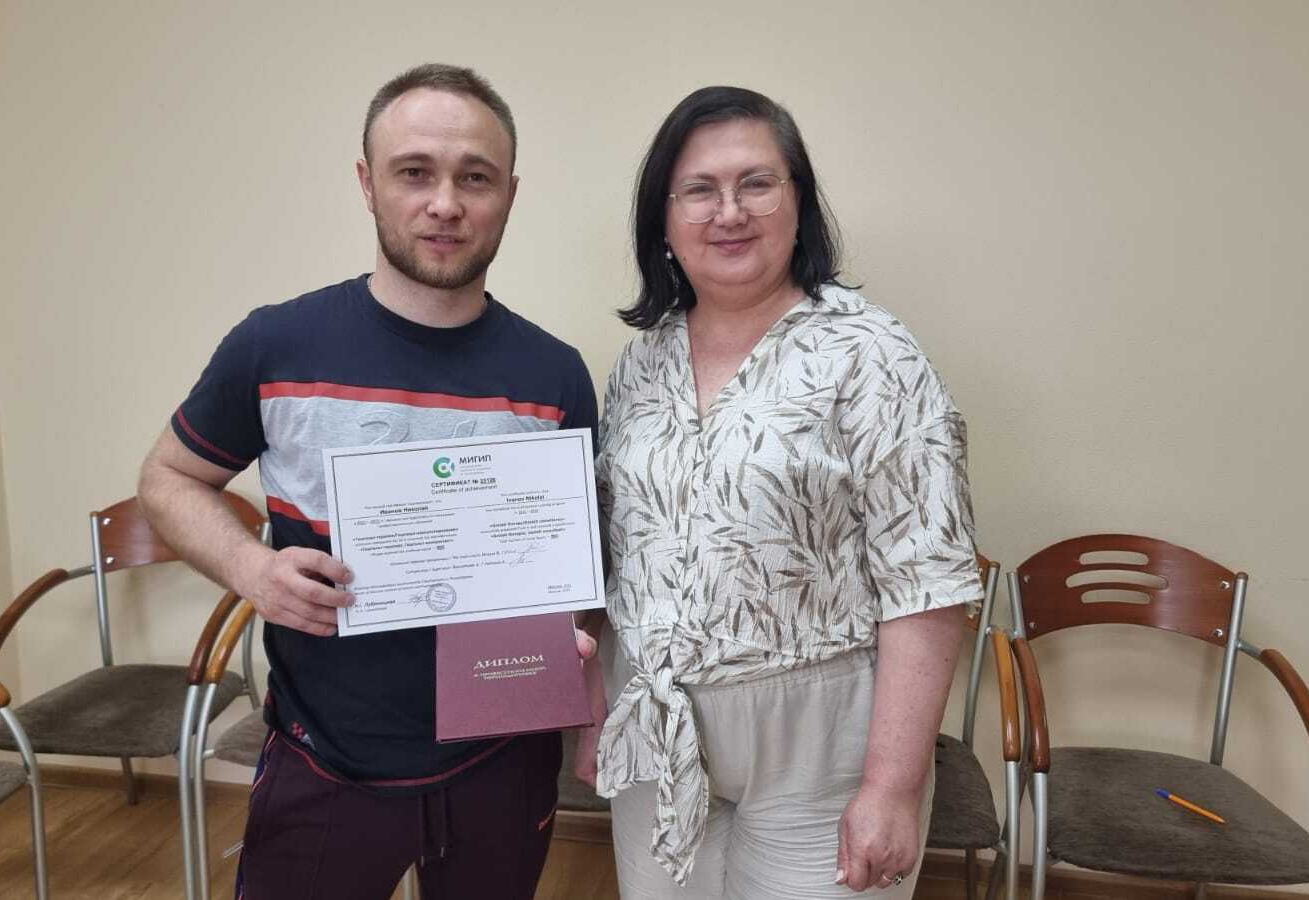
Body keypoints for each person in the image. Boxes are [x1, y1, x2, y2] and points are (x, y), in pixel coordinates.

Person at [137, 63, 598, 900]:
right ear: (367, 183)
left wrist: (573, 640)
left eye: (475, 178)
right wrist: (251, 569)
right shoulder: (276, 344)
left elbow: (578, 570)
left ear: (509, 194)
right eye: (414, 171)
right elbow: (168, 477)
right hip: (325, 757)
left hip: (503, 758)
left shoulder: (555, 374)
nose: (445, 203)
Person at [586, 86, 984, 898]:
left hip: (820, 743)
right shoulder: (640, 365)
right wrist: (593, 709)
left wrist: (893, 787)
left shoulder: (872, 354)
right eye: (699, 189)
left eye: (757, 183)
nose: (729, 211)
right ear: (663, 221)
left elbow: (930, 581)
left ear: (799, 202)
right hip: (659, 732)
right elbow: (612, 555)